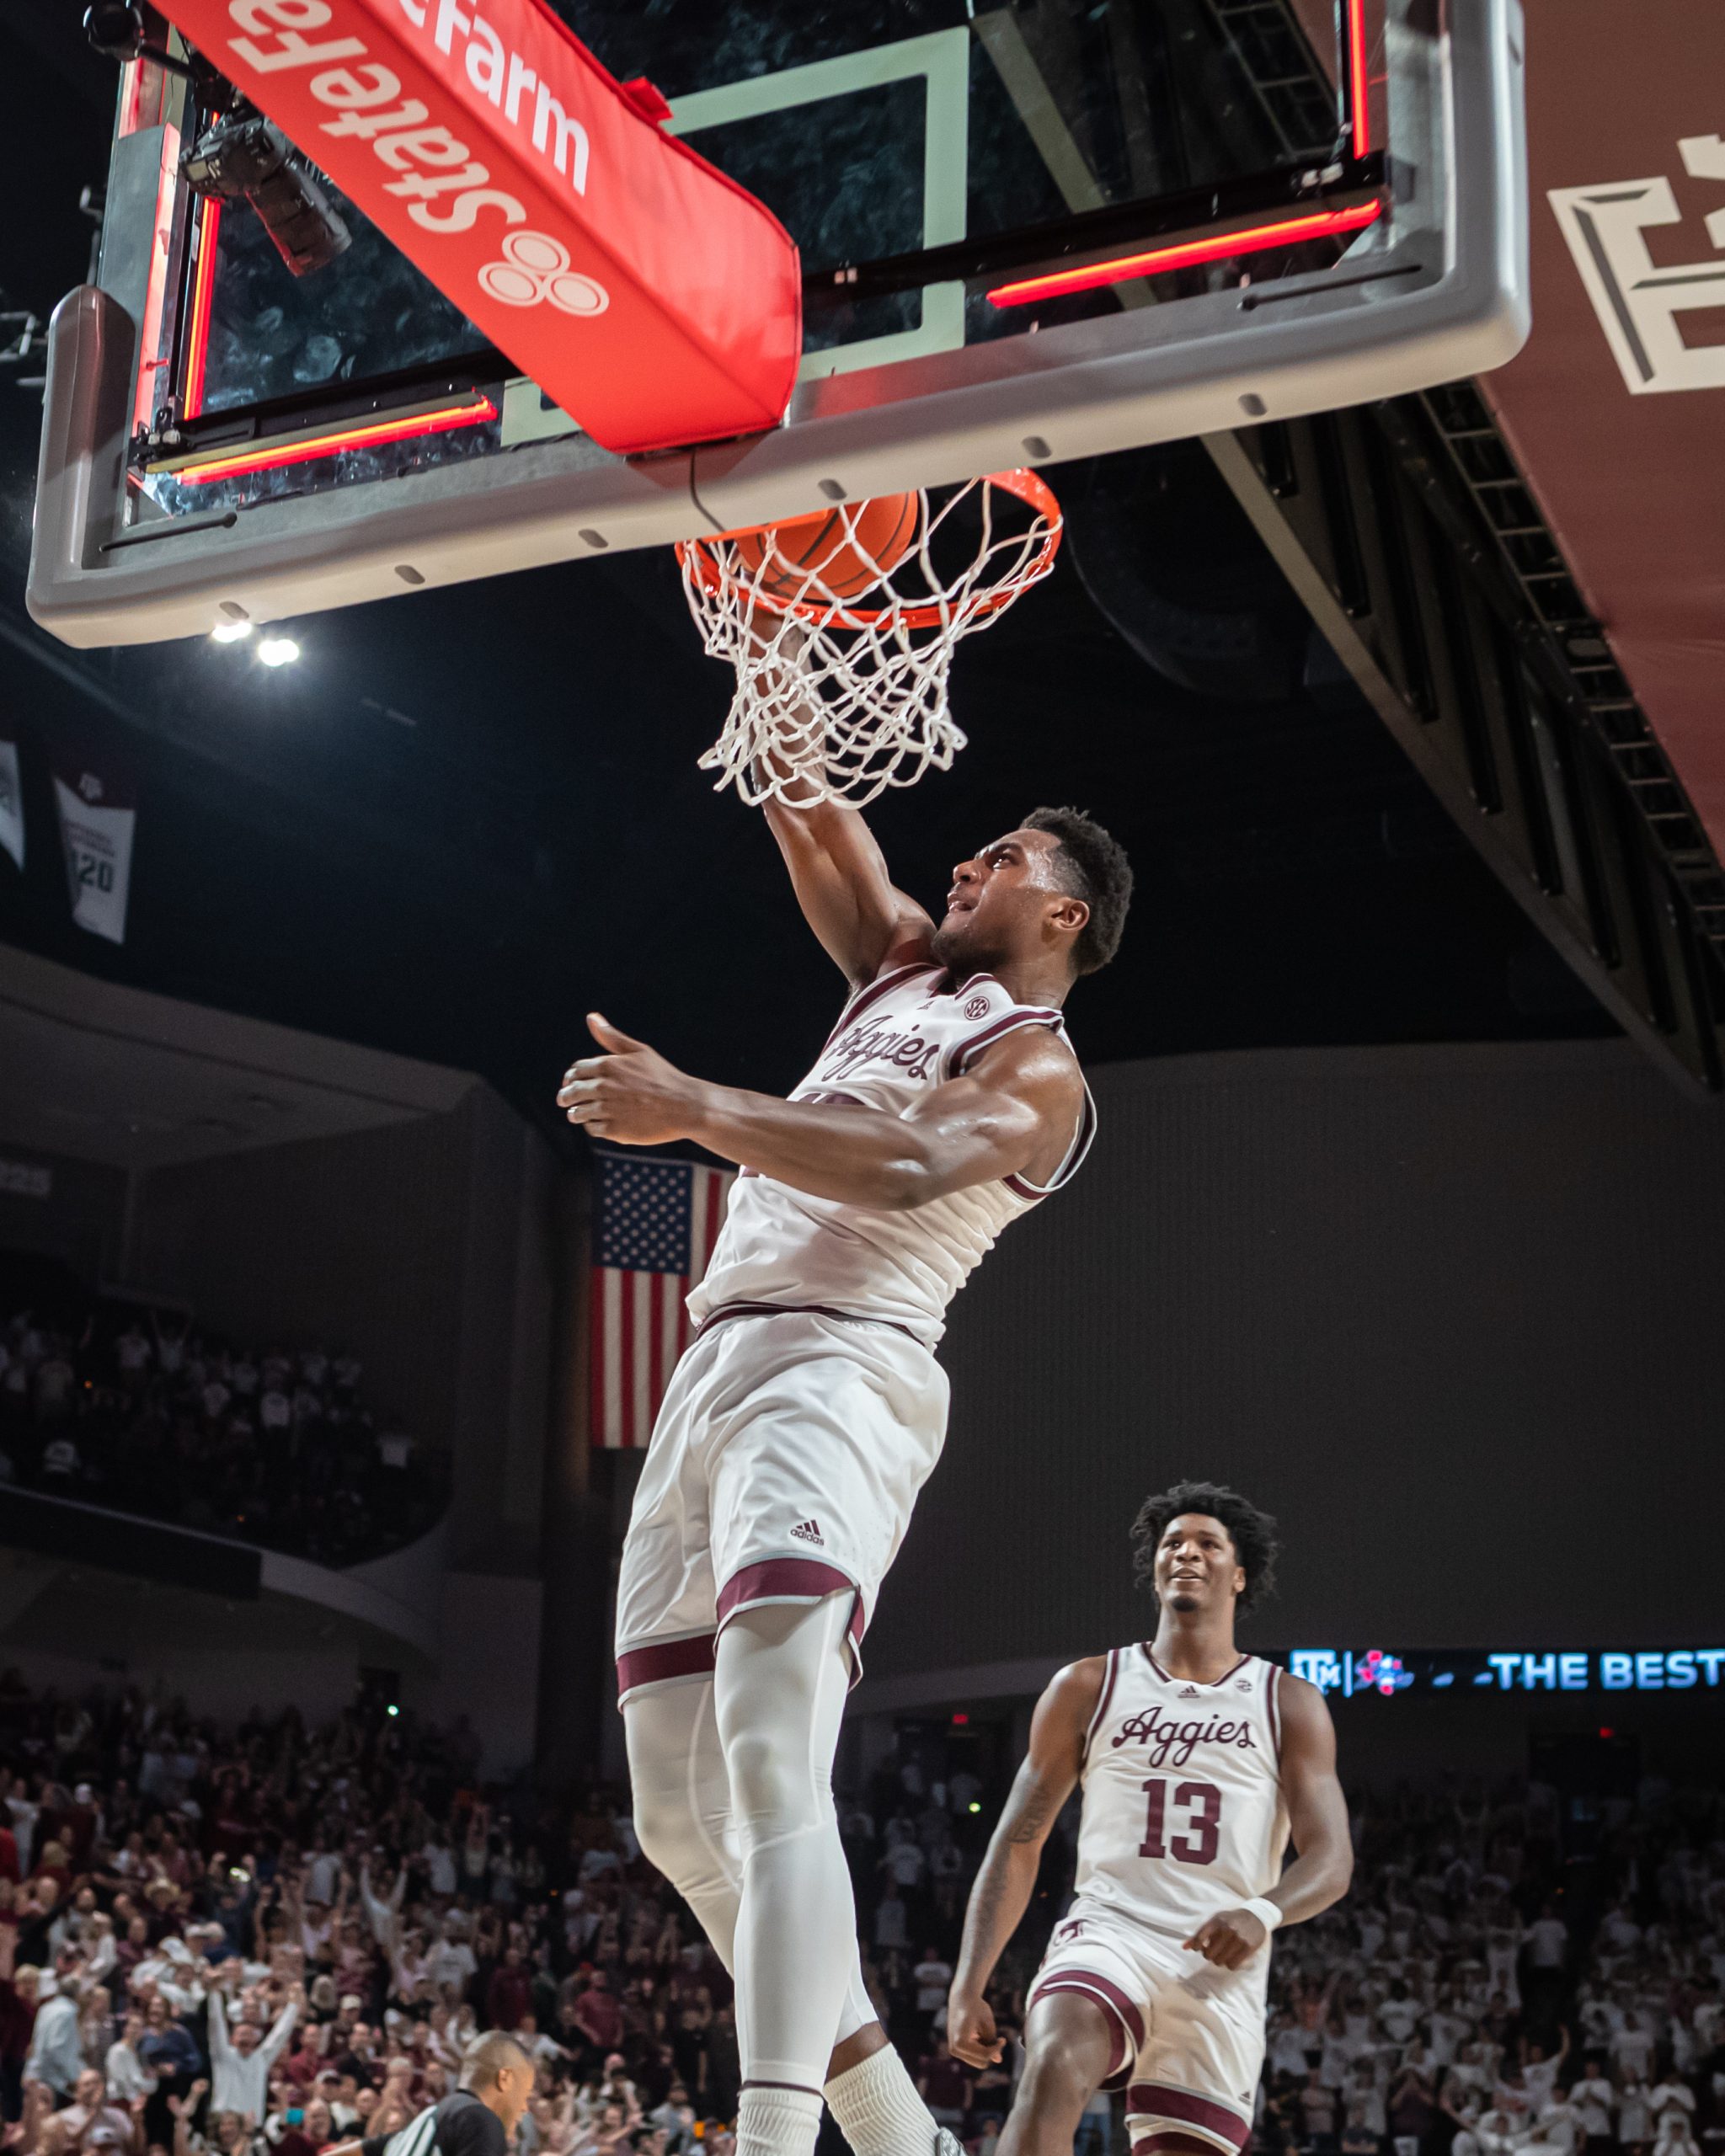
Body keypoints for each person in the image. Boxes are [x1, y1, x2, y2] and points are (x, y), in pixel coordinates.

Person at [558, 796, 1131, 2156]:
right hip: (711, 1362)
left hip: (842, 1366)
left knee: (768, 1756)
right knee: (676, 1822)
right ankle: (892, 2138)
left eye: (1000, 862)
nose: (965, 865)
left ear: (1063, 916)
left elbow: (904, 1165)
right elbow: (818, 825)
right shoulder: (900, 970)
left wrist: (690, 1107)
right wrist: (769, 674)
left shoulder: (1038, 1068)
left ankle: (770, 2142)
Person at [946, 1482, 1354, 2156]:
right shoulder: (1088, 1685)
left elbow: (1331, 1861)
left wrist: (1262, 1913)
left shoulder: (1288, 1702)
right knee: (1053, 2060)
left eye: (1207, 1544)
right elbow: (1018, 1842)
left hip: (1220, 1966)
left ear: (1239, 1574)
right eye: (1172, 1543)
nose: (1186, 1553)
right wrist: (969, 1982)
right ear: (1156, 1568)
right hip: (1111, 1931)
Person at [332, 2033, 534, 2156]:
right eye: (524, 2094)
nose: (525, 2107)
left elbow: (356, 2151)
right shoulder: (481, 2119)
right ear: (505, 2079)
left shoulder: (423, 2122)